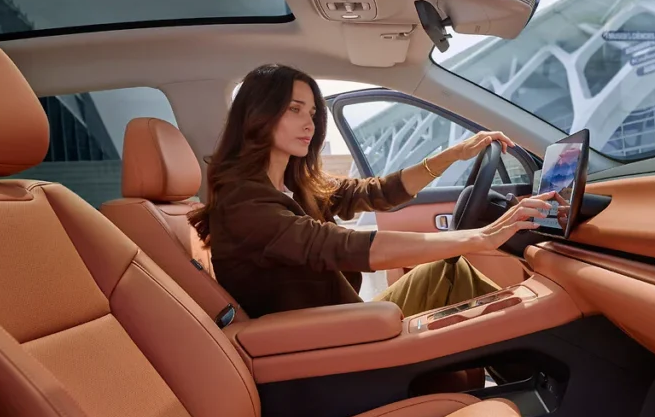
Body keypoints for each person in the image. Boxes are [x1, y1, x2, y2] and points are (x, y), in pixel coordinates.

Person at [188, 64, 553, 319]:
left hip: (340, 317)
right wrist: (480, 237)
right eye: (294, 110)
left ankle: (528, 346)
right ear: (258, 115)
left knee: (447, 273)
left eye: (312, 112)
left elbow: (377, 192)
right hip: (319, 339)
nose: (309, 123)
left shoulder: (293, 185)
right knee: (456, 277)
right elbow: (346, 248)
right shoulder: (244, 203)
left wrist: (453, 155)